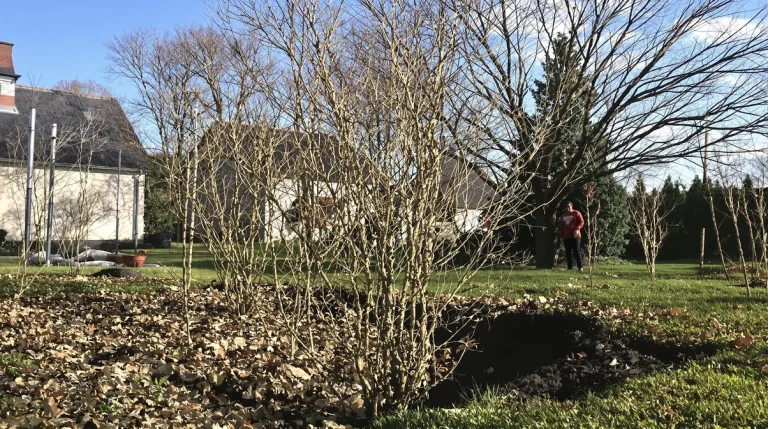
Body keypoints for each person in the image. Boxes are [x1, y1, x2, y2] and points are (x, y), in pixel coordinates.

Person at [560, 201, 584, 271]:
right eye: (566, 207)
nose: (567, 208)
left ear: (571, 206)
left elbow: (582, 222)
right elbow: (562, 226)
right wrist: (561, 236)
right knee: (568, 252)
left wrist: (577, 229)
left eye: (569, 206)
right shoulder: (563, 215)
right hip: (566, 236)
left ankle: (580, 267)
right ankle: (569, 267)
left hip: (575, 236)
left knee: (577, 251)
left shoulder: (576, 213)